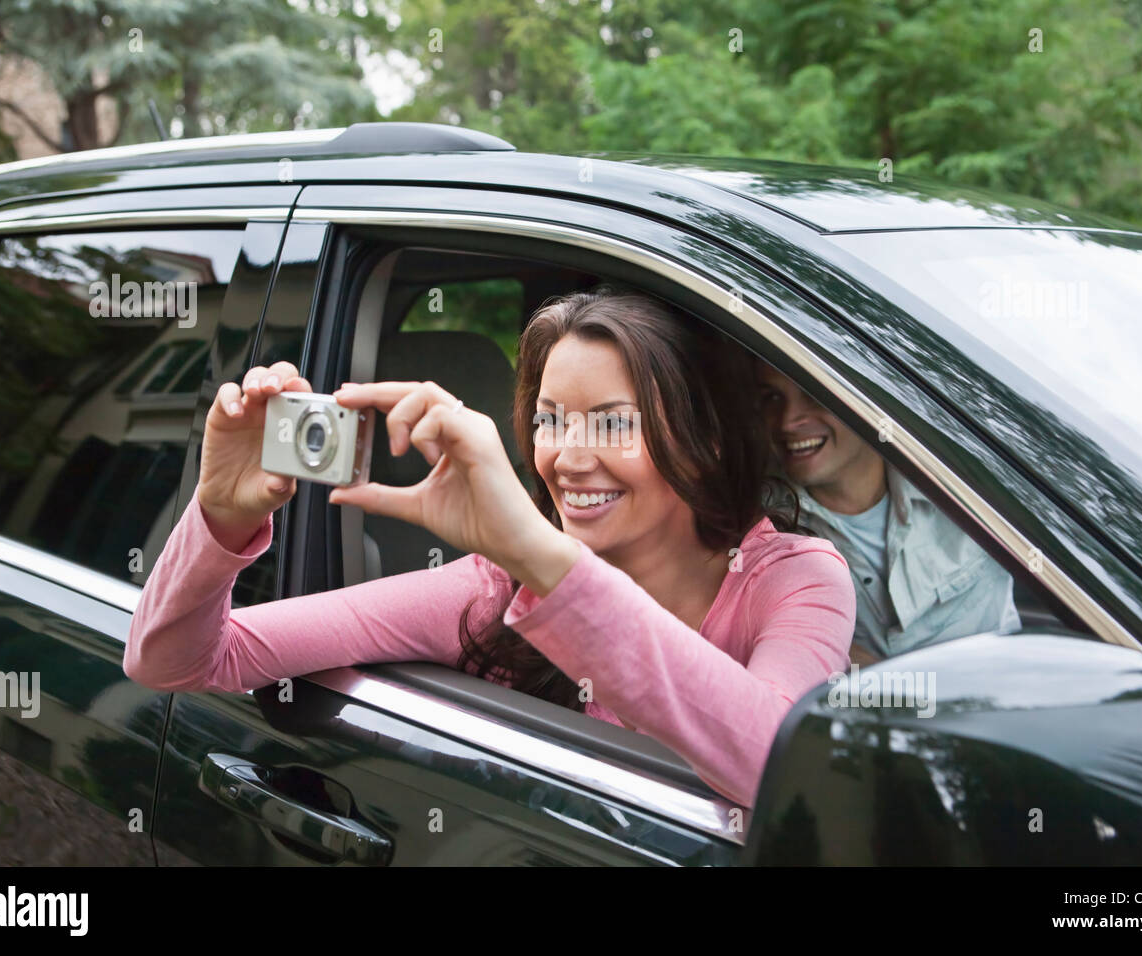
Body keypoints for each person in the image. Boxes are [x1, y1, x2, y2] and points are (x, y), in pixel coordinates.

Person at [125, 289, 856, 808]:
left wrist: (540, 556)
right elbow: (179, 659)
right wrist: (219, 517)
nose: (567, 458)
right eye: (548, 421)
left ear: (706, 442)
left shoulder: (791, 578)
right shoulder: (489, 588)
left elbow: (776, 764)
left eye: (609, 424)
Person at [755, 361, 1020, 666]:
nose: (788, 421)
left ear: (866, 399)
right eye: (772, 398)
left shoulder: (964, 485)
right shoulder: (758, 528)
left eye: (813, 394)